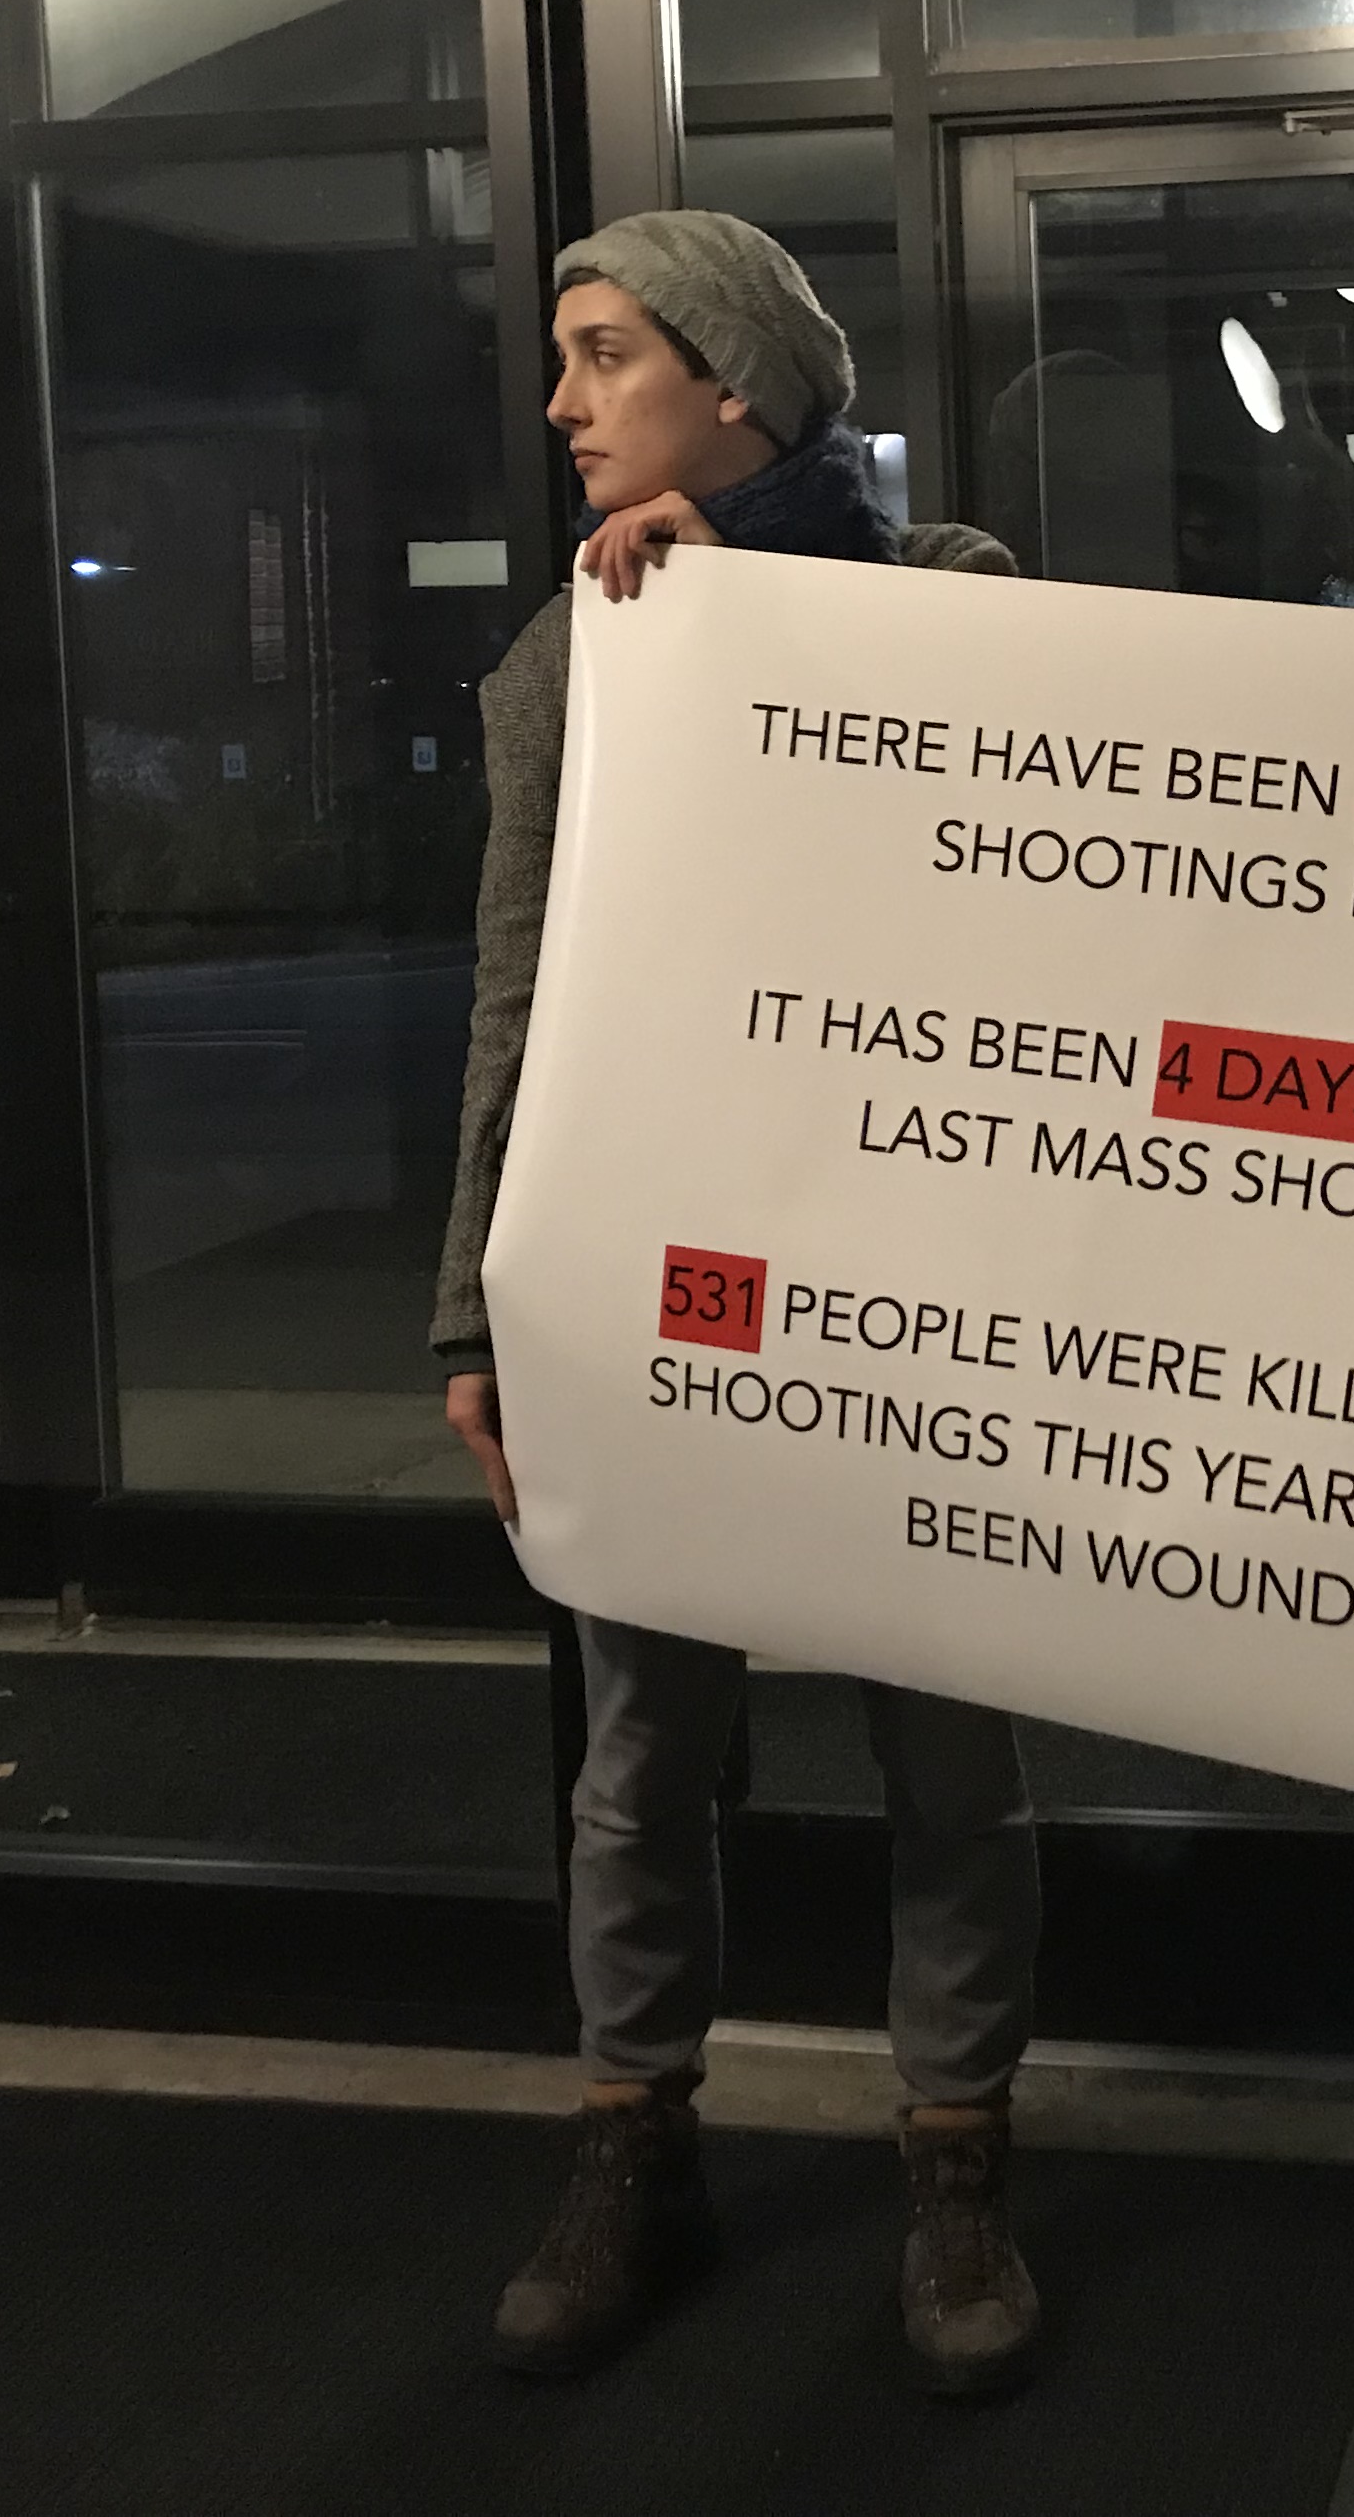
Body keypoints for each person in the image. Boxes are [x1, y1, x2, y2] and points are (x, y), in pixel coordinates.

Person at [435, 208, 1047, 2396]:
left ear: (737, 387)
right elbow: (516, 998)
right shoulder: (563, 659)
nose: (561, 403)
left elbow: (1015, 838)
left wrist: (770, 574)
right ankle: (635, 2138)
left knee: (946, 1738)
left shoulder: (943, 590)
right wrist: (470, 1318)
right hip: (651, 1266)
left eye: (602, 355)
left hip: (914, 1276)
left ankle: (956, 2155)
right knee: (639, 1747)